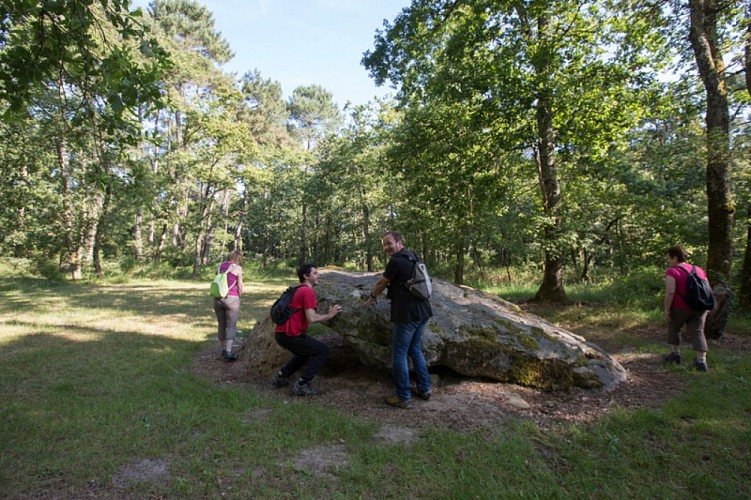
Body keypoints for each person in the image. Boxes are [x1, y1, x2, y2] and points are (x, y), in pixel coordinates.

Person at [365, 231, 433, 409]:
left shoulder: (395, 261)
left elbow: (382, 282)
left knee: (399, 354)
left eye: (389, 243)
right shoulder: (412, 256)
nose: (387, 247)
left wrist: (372, 296)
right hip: (423, 311)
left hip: (406, 315)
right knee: (415, 349)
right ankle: (425, 389)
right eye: (384, 245)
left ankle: (403, 397)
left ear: (399, 242)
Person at [270, 263, 342, 396]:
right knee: (322, 351)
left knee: (304, 353)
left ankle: (280, 377)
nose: (318, 275)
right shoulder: (307, 291)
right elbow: (312, 318)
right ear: (306, 276)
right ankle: (302, 384)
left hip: (281, 334)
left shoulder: (298, 289)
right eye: (315, 273)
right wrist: (330, 315)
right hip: (291, 334)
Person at [663, 245, 709, 372]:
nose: (668, 261)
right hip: (700, 307)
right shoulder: (698, 269)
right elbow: (707, 288)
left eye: (669, 258)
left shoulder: (672, 271)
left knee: (674, 327)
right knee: (698, 331)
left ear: (675, 258)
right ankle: (701, 362)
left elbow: (670, 292)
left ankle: (675, 355)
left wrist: (667, 309)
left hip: (680, 307)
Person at [213, 250, 244, 362]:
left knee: (221, 324)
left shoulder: (219, 266)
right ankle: (228, 351)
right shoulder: (238, 268)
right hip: (231, 298)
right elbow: (240, 285)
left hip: (217, 298)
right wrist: (239, 296)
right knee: (231, 325)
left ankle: (222, 349)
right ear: (238, 259)